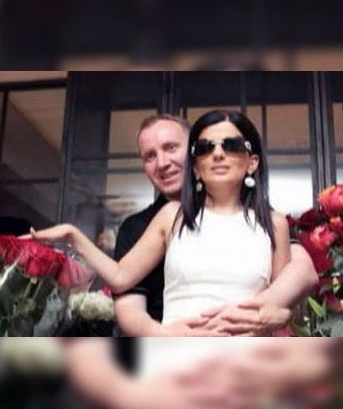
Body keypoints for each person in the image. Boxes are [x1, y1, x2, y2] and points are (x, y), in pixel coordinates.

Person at [24, 110, 317, 335]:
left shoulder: (273, 223)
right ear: (197, 164)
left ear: (252, 161)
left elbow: (289, 292)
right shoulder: (166, 218)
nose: (218, 154)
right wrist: (73, 235)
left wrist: (281, 314)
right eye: (206, 148)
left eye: (231, 145)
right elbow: (122, 281)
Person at [113, 114, 318, 336]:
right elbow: (127, 304)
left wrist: (279, 312)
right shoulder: (136, 226)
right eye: (149, 156)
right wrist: (162, 335)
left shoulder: (260, 218)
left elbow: (302, 268)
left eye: (171, 148)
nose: (162, 163)